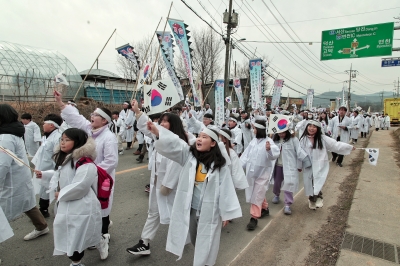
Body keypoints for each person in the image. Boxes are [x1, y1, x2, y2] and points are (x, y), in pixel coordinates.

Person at [146, 122, 242, 266]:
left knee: (206, 239)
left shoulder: (219, 166)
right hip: (191, 209)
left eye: (204, 137)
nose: (199, 139)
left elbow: (226, 190)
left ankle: (203, 262)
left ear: (213, 144)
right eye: (199, 136)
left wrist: (226, 213)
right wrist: (158, 132)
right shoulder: (189, 156)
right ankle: (201, 258)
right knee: (196, 237)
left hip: (210, 211)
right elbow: (175, 143)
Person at [54, 91, 118, 257]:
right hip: (84, 177)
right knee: (87, 208)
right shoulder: (88, 130)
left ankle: (103, 236)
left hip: (100, 178)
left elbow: (111, 161)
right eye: (92, 113)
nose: (92, 116)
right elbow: (75, 118)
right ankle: (91, 235)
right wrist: (61, 103)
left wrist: (91, 171)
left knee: (101, 208)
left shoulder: (109, 137)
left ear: (104, 120)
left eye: (96, 115)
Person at [127, 100, 193, 256]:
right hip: (157, 184)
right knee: (153, 212)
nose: (161, 124)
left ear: (174, 125)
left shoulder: (180, 143)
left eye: (166, 122)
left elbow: (177, 166)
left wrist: (168, 185)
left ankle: (183, 238)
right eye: (161, 121)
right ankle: (144, 242)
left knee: (177, 213)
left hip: (172, 187)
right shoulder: (160, 138)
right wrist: (138, 112)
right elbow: (146, 127)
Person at [36, 128, 107, 264]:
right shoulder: (66, 158)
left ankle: (81, 258)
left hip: (82, 205)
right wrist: (44, 174)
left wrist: (61, 193)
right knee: (72, 235)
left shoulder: (85, 162)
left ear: (78, 142)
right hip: (66, 204)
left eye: (67, 140)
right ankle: (93, 245)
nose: (62, 143)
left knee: (78, 236)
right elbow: (61, 174)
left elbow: (81, 185)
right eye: (62, 139)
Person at [0, 104, 49, 241]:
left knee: (6, 210)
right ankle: (41, 226)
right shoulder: (13, 130)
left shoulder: (5, 136)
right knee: (27, 202)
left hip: (11, 179)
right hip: (19, 175)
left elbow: (2, 164)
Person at [299, 120, 355, 210]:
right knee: (310, 183)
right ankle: (312, 200)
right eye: (310, 126)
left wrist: (349, 147)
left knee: (317, 182)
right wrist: (299, 166)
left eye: (314, 127)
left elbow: (335, 145)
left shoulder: (323, 138)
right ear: (306, 127)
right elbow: (299, 153)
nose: (311, 128)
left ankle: (318, 198)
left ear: (318, 129)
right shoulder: (303, 139)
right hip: (308, 165)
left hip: (320, 164)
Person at [240, 120, 279, 230]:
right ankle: (265, 208)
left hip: (263, 173)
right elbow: (245, 156)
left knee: (256, 194)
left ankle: (254, 218)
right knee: (258, 192)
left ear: (259, 129)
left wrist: (269, 149)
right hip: (252, 173)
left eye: (255, 128)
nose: (253, 130)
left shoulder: (269, 141)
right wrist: (238, 168)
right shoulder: (253, 142)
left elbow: (275, 153)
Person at [31, 114, 63, 218]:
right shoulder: (46, 136)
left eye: (45, 123)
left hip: (50, 169)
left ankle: (45, 210)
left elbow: (57, 155)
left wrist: (56, 171)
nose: (43, 125)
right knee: (43, 189)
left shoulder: (58, 137)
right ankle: (43, 209)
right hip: (43, 168)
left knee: (49, 189)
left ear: (52, 125)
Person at [271, 125, 302, 215]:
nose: (281, 134)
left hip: (290, 166)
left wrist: (299, 165)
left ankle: (287, 204)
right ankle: (276, 194)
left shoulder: (293, 140)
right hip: (278, 165)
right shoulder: (274, 140)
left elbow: (299, 152)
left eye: (283, 132)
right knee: (277, 182)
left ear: (287, 131)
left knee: (289, 184)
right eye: (279, 132)